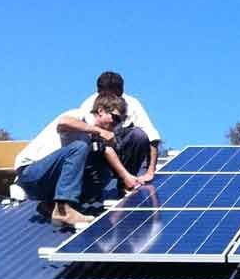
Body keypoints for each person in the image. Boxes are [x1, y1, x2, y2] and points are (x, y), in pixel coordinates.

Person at [14, 94, 145, 228]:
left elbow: (107, 151)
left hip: (48, 182)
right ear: (100, 111)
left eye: (120, 122)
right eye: (115, 118)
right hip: (30, 173)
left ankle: (51, 206)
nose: (116, 124)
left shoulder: (95, 135)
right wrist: (98, 131)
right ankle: (63, 210)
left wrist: (126, 177)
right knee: (79, 147)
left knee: (102, 173)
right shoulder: (79, 115)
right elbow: (63, 122)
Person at [77, 71, 161, 183]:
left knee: (138, 135)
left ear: (121, 91)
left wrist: (150, 171)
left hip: (123, 152)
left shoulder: (132, 103)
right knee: (95, 144)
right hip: (98, 154)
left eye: (117, 95)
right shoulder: (88, 106)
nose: (113, 100)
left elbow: (152, 137)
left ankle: (127, 182)